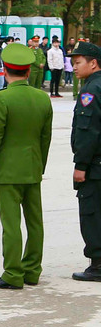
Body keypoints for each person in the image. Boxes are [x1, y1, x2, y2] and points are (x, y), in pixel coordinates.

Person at [0, 42, 52, 289]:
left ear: (5, 71)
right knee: (35, 222)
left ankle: (13, 273)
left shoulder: (2, 99)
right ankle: (32, 271)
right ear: (29, 72)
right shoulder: (42, 99)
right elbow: (45, 139)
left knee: (11, 225)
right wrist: (39, 166)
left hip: (7, 172)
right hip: (32, 169)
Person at [70, 41, 101, 282]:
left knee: (91, 213)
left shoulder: (91, 90)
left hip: (94, 166)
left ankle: (97, 264)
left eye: (78, 62)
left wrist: (81, 165)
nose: (74, 67)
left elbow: (87, 130)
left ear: (93, 63)